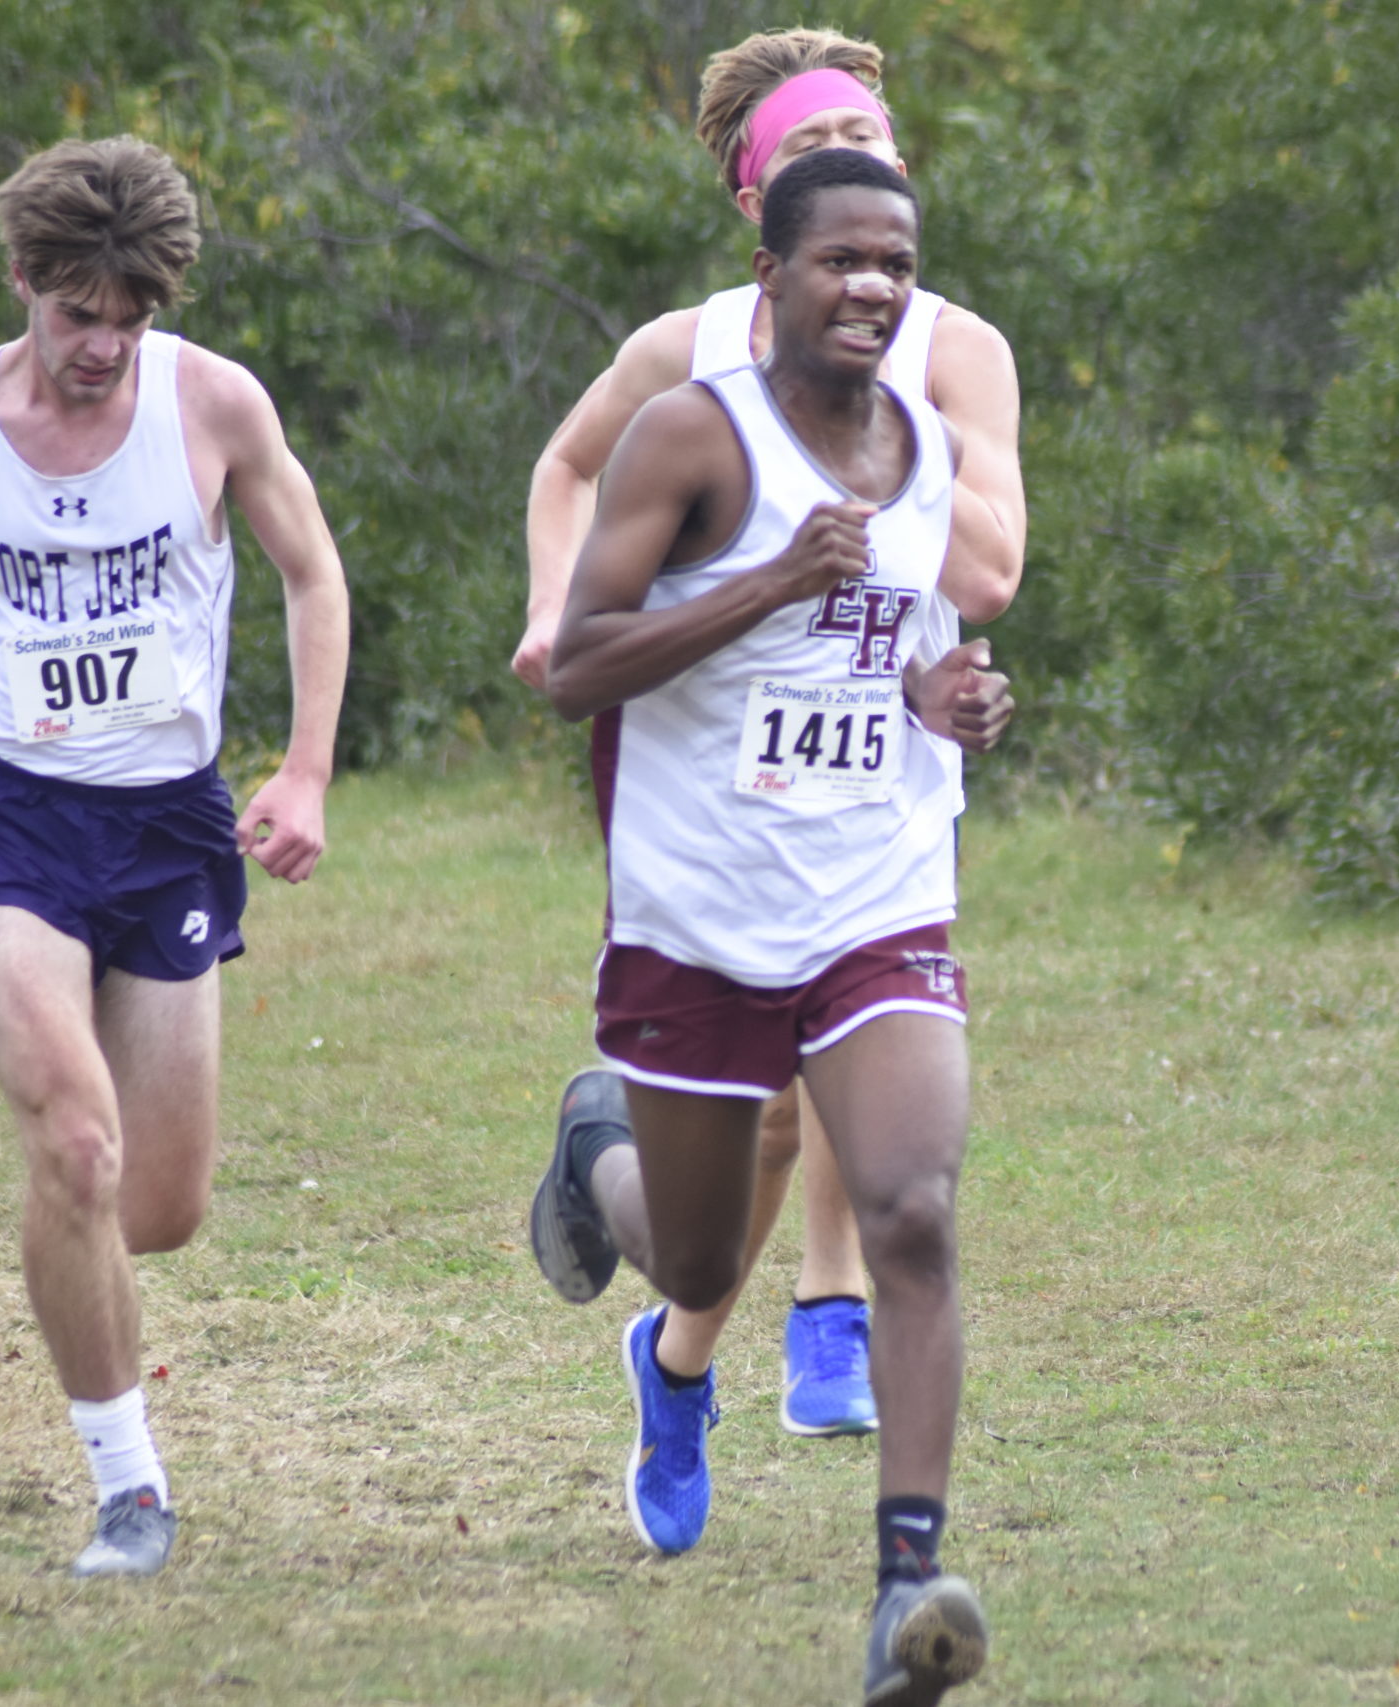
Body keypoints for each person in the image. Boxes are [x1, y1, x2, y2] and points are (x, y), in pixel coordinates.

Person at [0, 136, 350, 1578]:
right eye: (76, 316)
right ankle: (129, 1486)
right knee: (77, 1140)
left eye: (128, 317)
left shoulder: (215, 405)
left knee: (160, 1205)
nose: (103, 346)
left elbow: (312, 573)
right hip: (4, 812)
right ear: (24, 285)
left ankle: (85, 1250)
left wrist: (303, 766)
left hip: (166, 820)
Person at [514, 23, 1025, 1504]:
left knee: (858, 1091)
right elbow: (564, 471)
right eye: (810, 155)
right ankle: (690, 1333)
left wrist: (921, 545)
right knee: (744, 1123)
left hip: (883, 744)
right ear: (759, 213)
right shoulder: (683, 359)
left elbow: (986, 573)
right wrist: (556, 609)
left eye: (871, 145)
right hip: (694, 750)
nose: (851, 175)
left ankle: (826, 1324)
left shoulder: (952, 353)